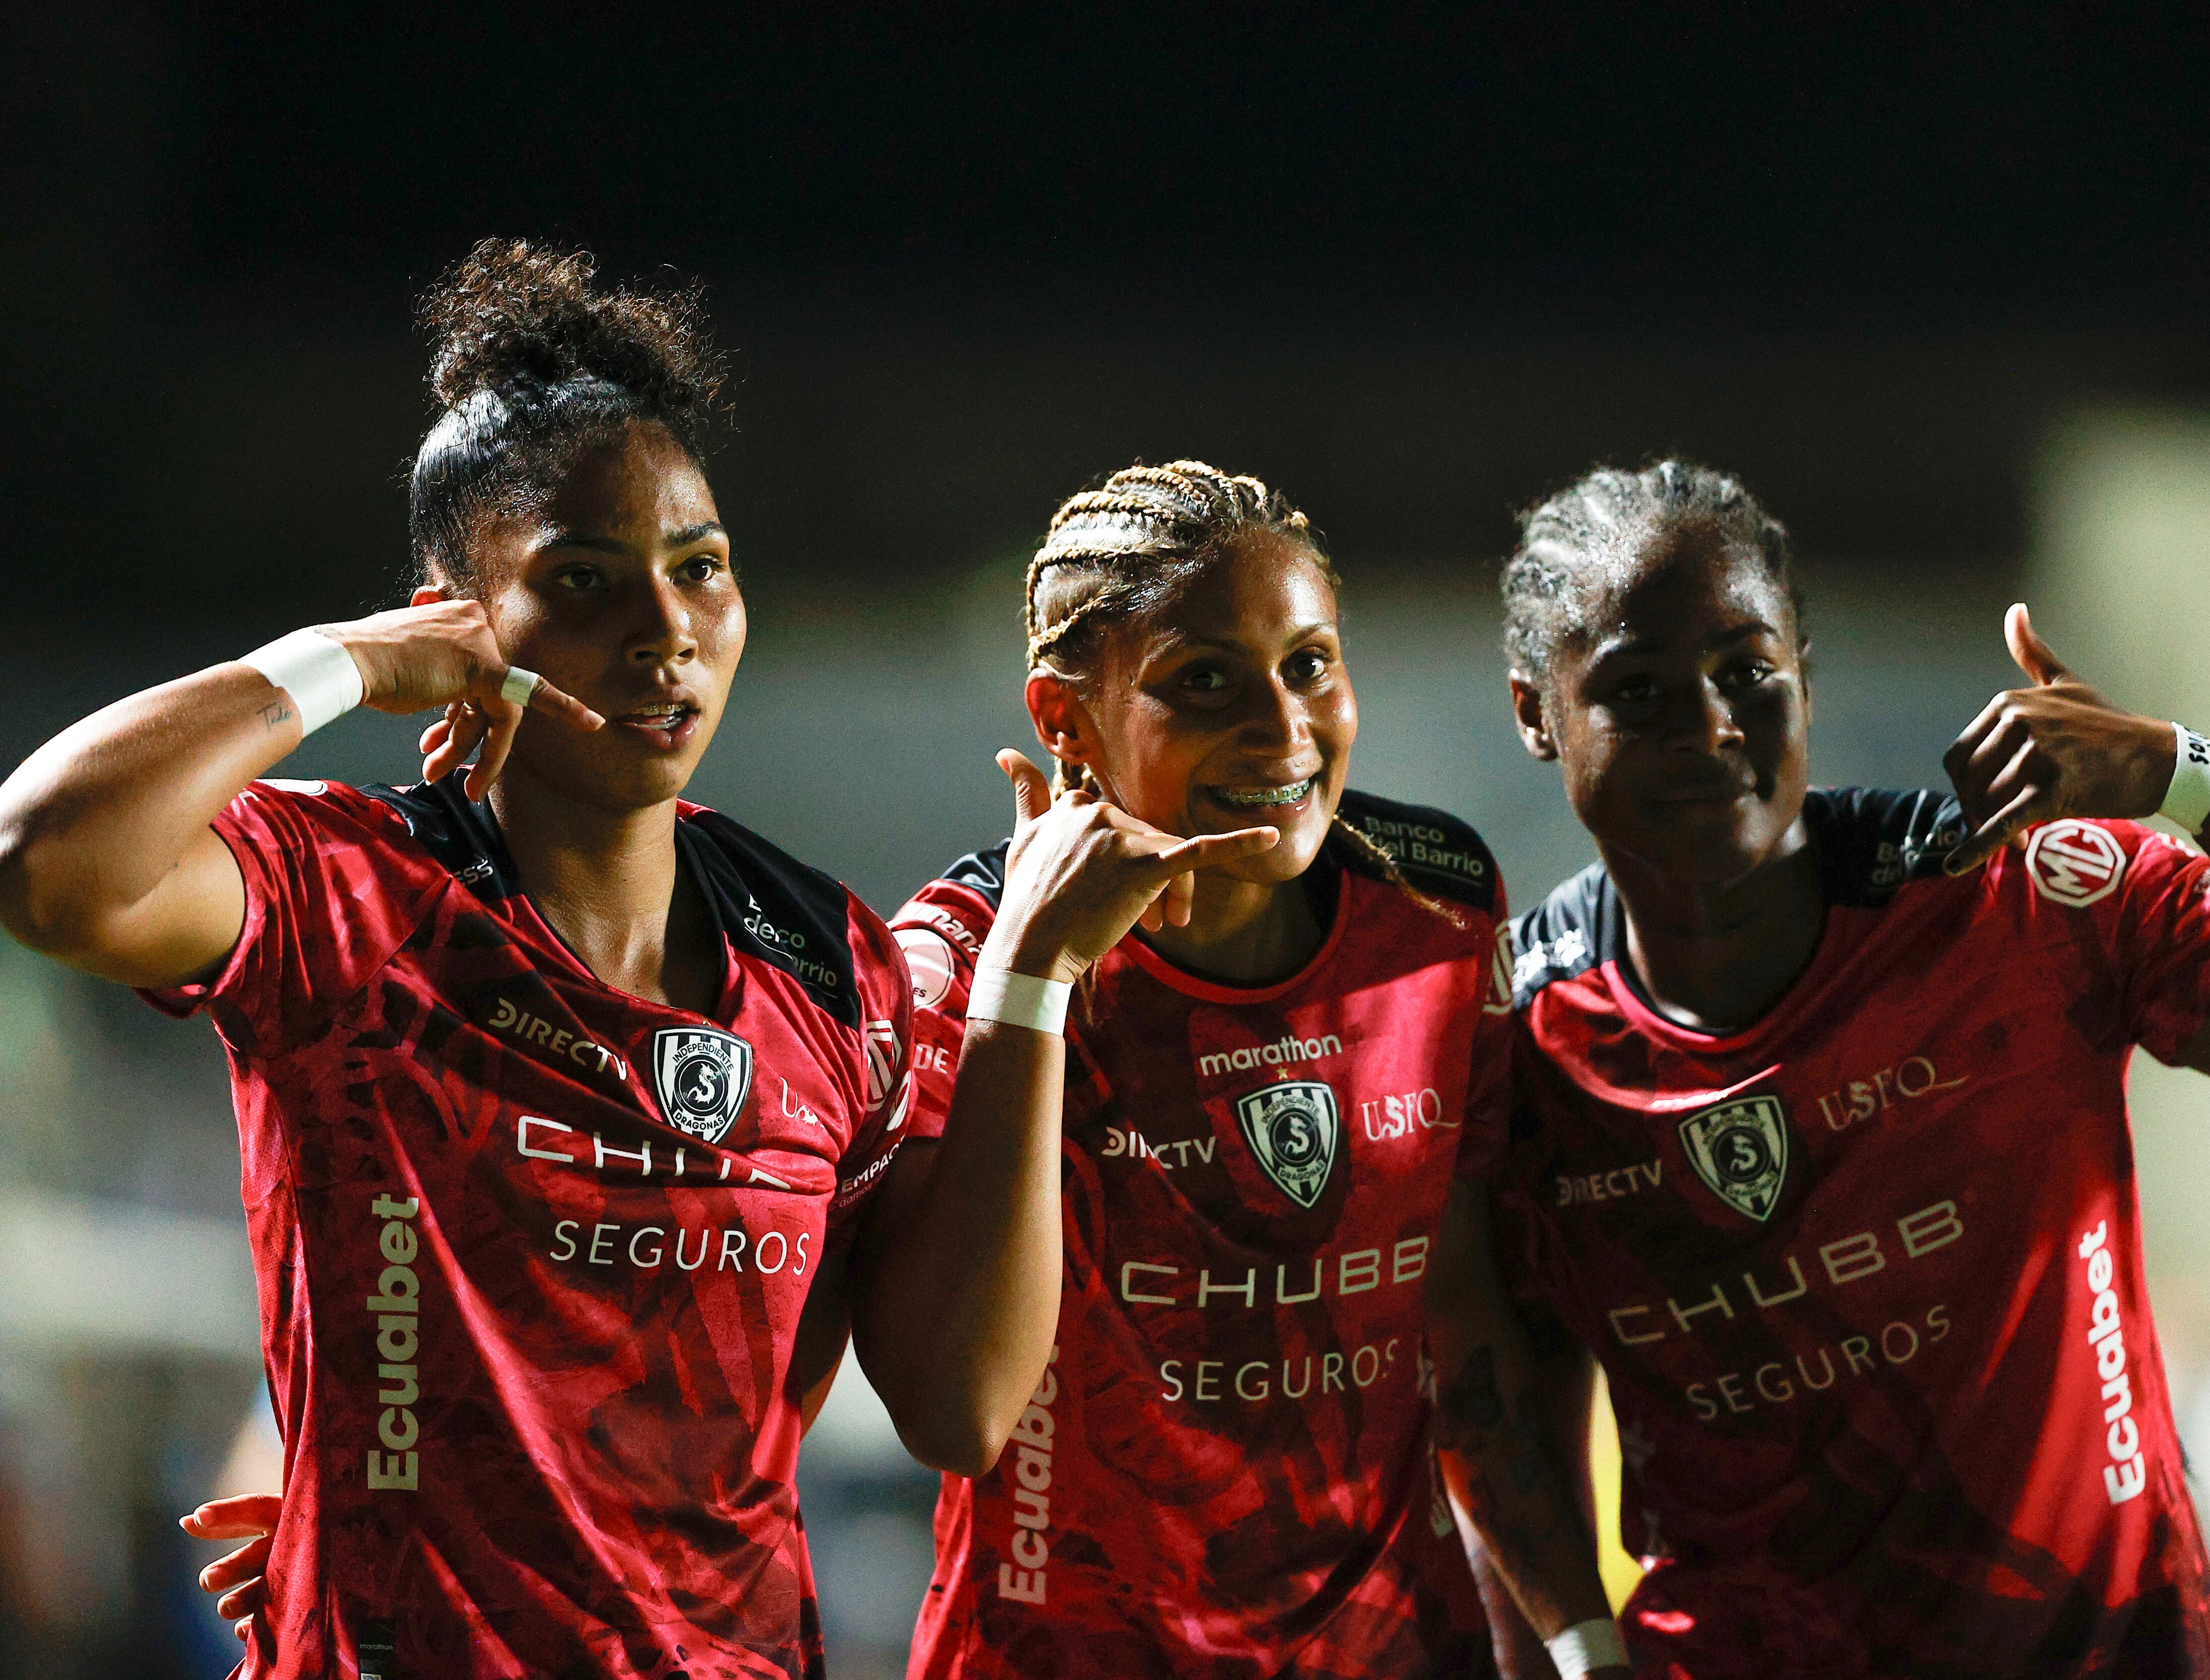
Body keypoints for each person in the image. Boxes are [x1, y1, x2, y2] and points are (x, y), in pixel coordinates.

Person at [0, 243, 1264, 1679]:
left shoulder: (830, 962)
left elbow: (962, 1403)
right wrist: (347, 657)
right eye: (584, 580)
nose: (665, 629)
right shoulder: (353, 900)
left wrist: (1027, 984)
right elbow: (43, 858)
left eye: (700, 567)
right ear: (456, 615)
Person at [1476, 458, 2210, 1676]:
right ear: (1535, 715)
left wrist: (2195, 782)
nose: (1708, 728)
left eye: (1746, 673)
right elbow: (1505, 1412)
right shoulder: (1512, 1046)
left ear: (1805, 675)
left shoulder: (2020, 900)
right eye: (1636, 689)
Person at [888, 463, 1624, 1678]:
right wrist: (1034, 982)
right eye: (1203, 681)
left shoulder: (1432, 903)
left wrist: (1583, 1640)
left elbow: (1458, 1313)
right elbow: (957, 1409)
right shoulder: (958, 958)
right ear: (1063, 719)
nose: (1284, 730)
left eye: (1310, 665)